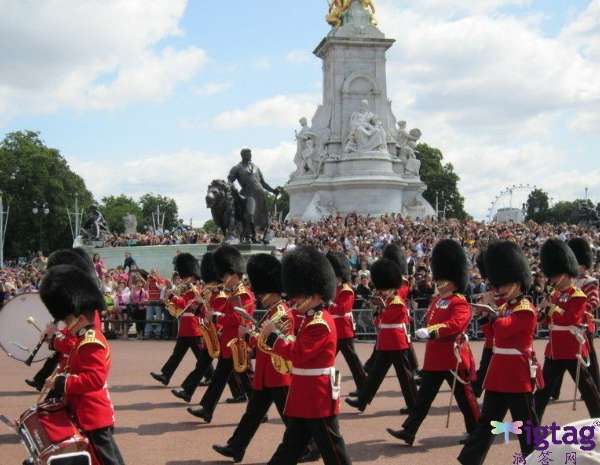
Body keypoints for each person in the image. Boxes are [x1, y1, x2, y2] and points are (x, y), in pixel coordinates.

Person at [260, 246, 352, 465]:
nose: (295, 300)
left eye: (300, 296)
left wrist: (273, 338)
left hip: (316, 395)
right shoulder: (309, 318)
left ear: (315, 296)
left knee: (332, 449)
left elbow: (299, 354)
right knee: (289, 447)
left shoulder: (320, 323)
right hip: (304, 392)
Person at [387, 239, 480, 445]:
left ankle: (477, 431)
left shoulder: (460, 301)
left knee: (465, 398)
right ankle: (409, 431)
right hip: (435, 358)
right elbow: (430, 319)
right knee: (423, 399)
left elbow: (456, 324)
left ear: (454, 280)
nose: (438, 282)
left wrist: (432, 331)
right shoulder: (438, 300)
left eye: (443, 278)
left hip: (453, 357)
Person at [458, 241, 540, 464]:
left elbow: (504, 330)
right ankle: (469, 460)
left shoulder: (525, 309)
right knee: (487, 424)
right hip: (499, 374)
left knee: (526, 425)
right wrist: (486, 315)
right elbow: (493, 336)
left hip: (517, 375)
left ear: (517, 283)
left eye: (504, 284)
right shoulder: (505, 308)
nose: (499, 288)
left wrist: (491, 312)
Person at [213, 253, 295, 462]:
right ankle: (236, 447)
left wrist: (250, 335)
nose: (259, 296)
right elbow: (263, 342)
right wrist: (250, 341)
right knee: (252, 415)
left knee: (290, 417)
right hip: (265, 373)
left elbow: (275, 343)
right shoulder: (271, 312)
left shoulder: (283, 313)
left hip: (278, 372)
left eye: (263, 292)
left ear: (273, 291)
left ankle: (309, 445)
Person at [39, 264, 125, 465]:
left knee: (109, 461)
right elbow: (70, 359)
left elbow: (94, 379)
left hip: (94, 415)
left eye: (69, 319)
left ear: (79, 316)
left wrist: (61, 382)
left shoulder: (90, 341)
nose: (67, 324)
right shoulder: (80, 339)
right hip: (82, 412)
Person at [534, 238, 600, 421]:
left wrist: (551, 308)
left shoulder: (577, 295)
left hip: (572, 349)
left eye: (554, 275)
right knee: (542, 388)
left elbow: (571, 318)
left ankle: (598, 418)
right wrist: (541, 313)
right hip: (555, 349)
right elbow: (545, 321)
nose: (552, 279)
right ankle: (531, 421)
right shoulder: (554, 294)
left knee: (587, 388)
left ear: (564, 273)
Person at [188, 245, 255, 423]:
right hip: (228, 343)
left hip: (239, 343)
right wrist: (201, 309)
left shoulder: (244, 295)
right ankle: (207, 409)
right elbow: (221, 314)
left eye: (225, 275)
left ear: (234, 274)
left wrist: (216, 317)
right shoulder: (231, 293)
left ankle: (259, 411)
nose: (223, 279)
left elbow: (237, 319)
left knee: (247, 379)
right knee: (219, 378)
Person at [345, 257, 417, 414]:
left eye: (384, 289)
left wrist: (381, 309)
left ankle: (414, 406)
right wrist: (378, 309)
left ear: (392, 288)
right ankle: (362, 401)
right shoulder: (387, 301)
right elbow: (378, 323)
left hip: (397, 343)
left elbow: (387, 319)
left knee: (405, 376)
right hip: (385, 343)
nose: (382, 292)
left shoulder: (397, 302)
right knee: (375, 376)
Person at [150, 253, 212, 393]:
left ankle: (210, 375)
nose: (183, 278)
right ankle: (166, 375)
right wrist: (170, 299)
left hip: (193, 326)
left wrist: (173, 297)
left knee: (201, 356)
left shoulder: (195, 289)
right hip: (185, 325)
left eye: (185, 276)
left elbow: (187, 304)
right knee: (177, 354)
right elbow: (179, 307)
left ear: (193, 276)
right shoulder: (185, 288)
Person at [326, 252, 366, 394]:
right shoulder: (335, 289)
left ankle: (363, 387)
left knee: (353, 362)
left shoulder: (346, 290)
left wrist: (329, 303)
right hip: (334, 331)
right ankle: (329, 387)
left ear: (340, 276)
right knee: (326, 360)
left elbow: (343, 309)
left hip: (343, 330)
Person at [568, 237, 600, 389]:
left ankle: (595, 385)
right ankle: (552, 389)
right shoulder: (570, 280)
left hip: (584, 324)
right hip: (569, 323)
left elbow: (594, 302)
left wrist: (580, 310)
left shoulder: (590, 281)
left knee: (589, 357)